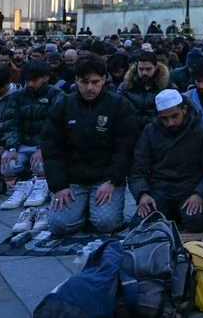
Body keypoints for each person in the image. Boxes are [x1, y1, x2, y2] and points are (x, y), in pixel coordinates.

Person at [43, 55, 139, 235]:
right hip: (72, 179)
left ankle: (91, 208)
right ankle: (81, 209)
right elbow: (51, 147)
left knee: (106, 223)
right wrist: (59, 185)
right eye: (84, 82)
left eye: (95, 82)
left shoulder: (119, 105)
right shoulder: (63, 104)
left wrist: (112, 179)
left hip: (105, 178)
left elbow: (125, 147)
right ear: (76, 81)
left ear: (104, 79)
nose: (90, 88)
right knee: (59, 225)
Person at [130, 89, 203, 233]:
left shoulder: (201, 130)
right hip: (160, 189)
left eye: (174, 116)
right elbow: (138, 169)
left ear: (184, 109)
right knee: (139, 226)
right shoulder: (150, 131)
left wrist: (200, 194)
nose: (170, 122)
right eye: (164, 119)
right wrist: (142, 194)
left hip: (189, 188)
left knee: (196, 223)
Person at [0, 61, 63, 205]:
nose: (30, 84)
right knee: (7, 166)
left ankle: (42, 187)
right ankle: (21, 186)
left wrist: (43, 148)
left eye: (35, 80)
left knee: (40, 165)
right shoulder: (17, 96)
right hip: (22, 144)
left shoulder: (57, 95)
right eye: (27, 80)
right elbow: (10, 123)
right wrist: (11, 148)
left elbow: (56, 126)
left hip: (46, 146)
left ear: (46, 77)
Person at [120, 51, 174, 129]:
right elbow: (120, 110)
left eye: (148, 69)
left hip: (157, 128)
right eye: (141, 69)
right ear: (136, 68)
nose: (144, 73)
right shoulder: (125, 86)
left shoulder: (167, 86)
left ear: (156, 67)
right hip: (130, 127)